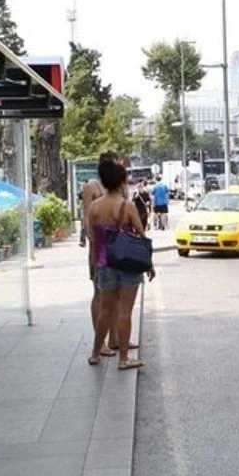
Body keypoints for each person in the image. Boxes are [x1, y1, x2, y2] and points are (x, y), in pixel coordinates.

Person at [87, 157, 155, 369]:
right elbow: (142, 238)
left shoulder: (94, 208)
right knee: (125, 311)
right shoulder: (127, 206)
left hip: (104, 262)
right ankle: (124, 359)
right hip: (128, 263)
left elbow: (94, 240)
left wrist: (95, 265)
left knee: (105, 311)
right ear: (121, 183)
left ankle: (95, 353)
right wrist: (149, 264)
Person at [84, 150, 122, 351]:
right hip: (100, 246)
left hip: (117, 246)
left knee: (116, 294)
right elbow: (88, 219)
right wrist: (94, 247)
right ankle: (101, 343)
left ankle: (116, 338)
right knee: (100, 293)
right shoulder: (92, 187)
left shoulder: (117, 187)